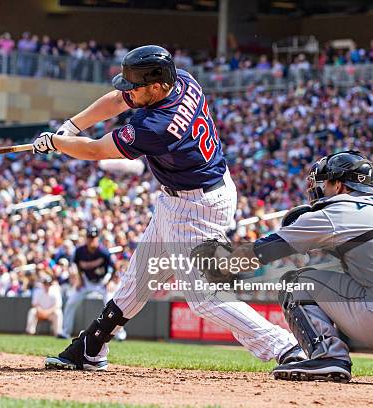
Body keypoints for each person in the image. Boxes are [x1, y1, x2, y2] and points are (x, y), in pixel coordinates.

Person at [34, 45, 301, 371]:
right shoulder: (182, 80)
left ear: (157, 86)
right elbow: (118, 100)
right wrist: (71, 127)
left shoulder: (156, 126)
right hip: (191, 194)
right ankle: (91, 346)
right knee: (138, 281)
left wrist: (56, 143)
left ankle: (287, 347)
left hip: (195, 206)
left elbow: (94, 151)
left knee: (204, 298)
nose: (129, 91)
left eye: (136, 86)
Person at [220, 151, 373, 382]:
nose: (320, 189)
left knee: (295, 282)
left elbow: (263, 252)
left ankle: (328, 356)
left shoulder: (337, 211)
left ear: (338, 185)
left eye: (324, 183)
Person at [58, 226, 126, 341]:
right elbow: (77, 265)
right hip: (87, 281)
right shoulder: (80, 251)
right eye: (89, 237)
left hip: (102, 281)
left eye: (94, 237)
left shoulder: (103, 251)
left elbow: (115, 267)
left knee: (113, 306)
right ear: (86, 238)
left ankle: (120, 335)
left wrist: (110, 282)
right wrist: (79, 279)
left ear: (97, 238)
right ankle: (65, 332)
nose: (91, 240)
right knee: (71, 302)